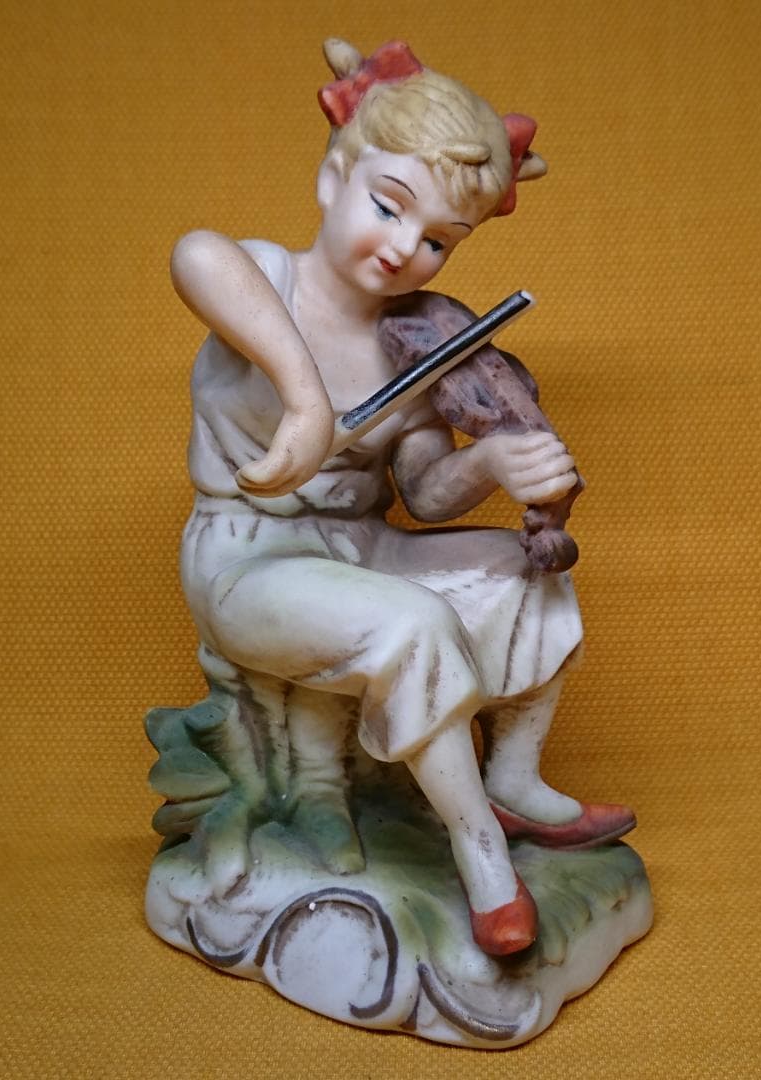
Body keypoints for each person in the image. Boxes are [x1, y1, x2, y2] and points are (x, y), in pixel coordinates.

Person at [172, 38, 634, 956]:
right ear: (332, 178)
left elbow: (422, 496)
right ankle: (481, 859)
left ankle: (512, 778)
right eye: (387, 206)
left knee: (523, 571)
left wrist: (494, 463)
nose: (401, 248)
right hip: (247, 559)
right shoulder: (265, 279)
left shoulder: (414, 346)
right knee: (411, 623)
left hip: (359, 547)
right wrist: (306, 399)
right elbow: (196, 254)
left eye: (436, 240)